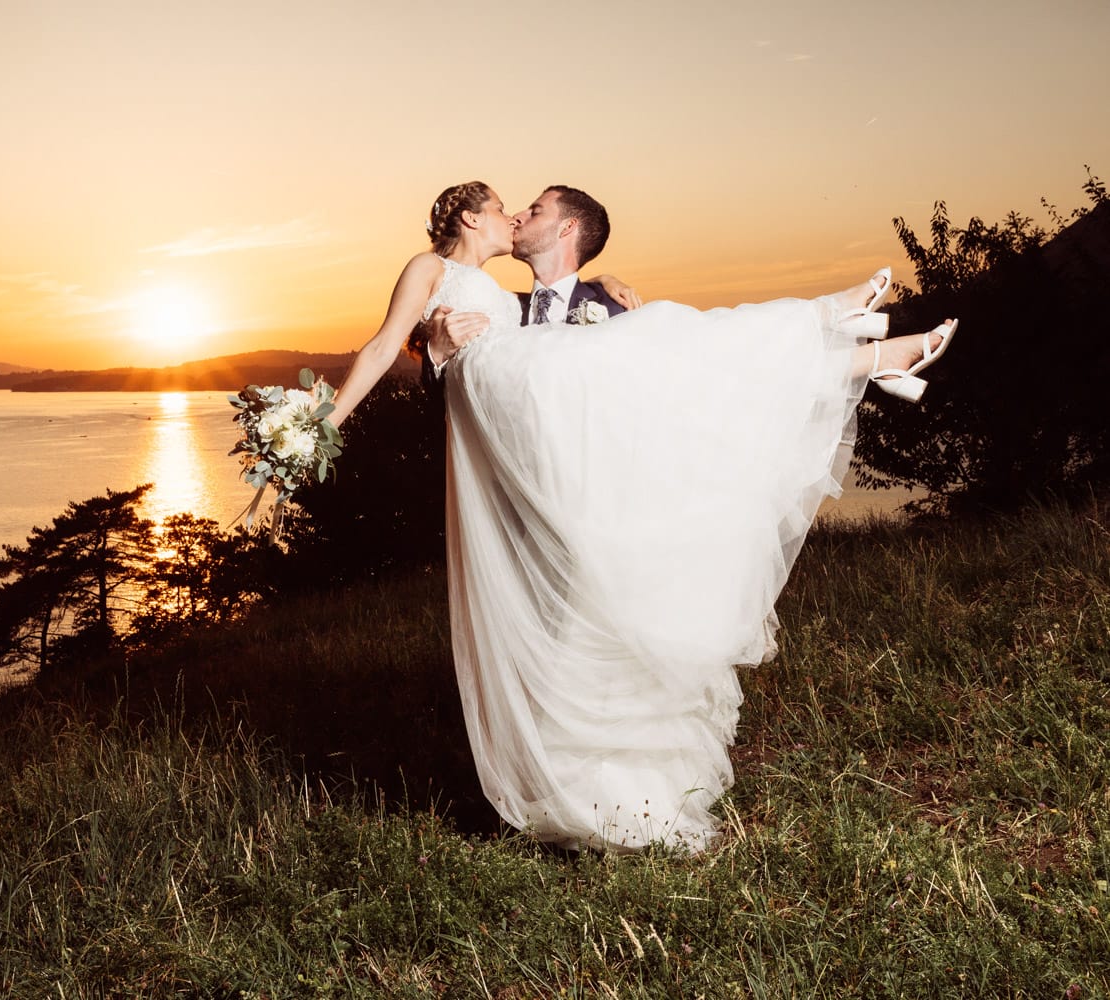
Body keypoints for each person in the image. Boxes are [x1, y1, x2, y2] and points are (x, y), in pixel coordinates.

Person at [328, 181, 957, 852]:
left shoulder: (595, 299)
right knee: (662, 344)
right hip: (520, 443)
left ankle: (842, 345)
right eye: (507, 207)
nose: (516, 217)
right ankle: (844, 344)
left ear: (569, 231)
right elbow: (404, 347)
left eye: (531, 210)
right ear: (470, 216)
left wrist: (605, 302)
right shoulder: (459, 282)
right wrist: (367, 390)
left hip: (588, 476)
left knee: (670, 346)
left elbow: (659, 390)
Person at [419, 185, 642, 394]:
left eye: (535, 212)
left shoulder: (615, 309)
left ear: (567, 227)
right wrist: (437, 356)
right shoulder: (503, 310)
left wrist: (601, 281)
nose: (516, 216)